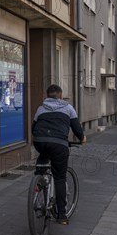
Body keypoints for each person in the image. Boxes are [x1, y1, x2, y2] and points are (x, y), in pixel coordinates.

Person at [32, 84, 86, 225]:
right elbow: (76, 128)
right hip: (59, 145)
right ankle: (62, 215)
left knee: (44, 156)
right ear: (61, 96)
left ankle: (39, 179)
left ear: (47, 96)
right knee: (60, 177)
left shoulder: (40, 108)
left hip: (40, 142)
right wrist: (82, 138)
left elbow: (33, 128)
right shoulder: (68, 108)